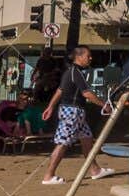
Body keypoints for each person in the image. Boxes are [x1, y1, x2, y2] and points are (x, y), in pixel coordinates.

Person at [40, 46, 115, 185]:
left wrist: (50, 107)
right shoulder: (76, 72)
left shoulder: (70, 72)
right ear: (79, 57)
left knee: (87, 138)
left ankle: (95, 170)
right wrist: (104, 104)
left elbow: (60, 91)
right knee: (63, 143)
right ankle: (48, 176)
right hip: (73, 112)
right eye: (88, 56)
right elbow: (86, 93)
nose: (90, 58)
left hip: (73, 111)